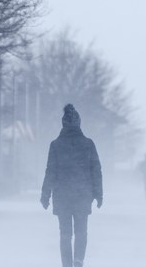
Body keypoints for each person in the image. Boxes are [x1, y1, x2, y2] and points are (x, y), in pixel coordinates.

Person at [41, 104, 103, 267]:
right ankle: (78, 261)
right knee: (81, 231)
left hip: (63, 195)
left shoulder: (55, 145)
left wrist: (45, 195)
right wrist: (98, 193)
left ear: (63, 124)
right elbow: (96, 170)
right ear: (79, 123)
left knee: (65, 233)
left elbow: (51, 171)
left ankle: (67, 264)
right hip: (83, 194)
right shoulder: (88, 144)